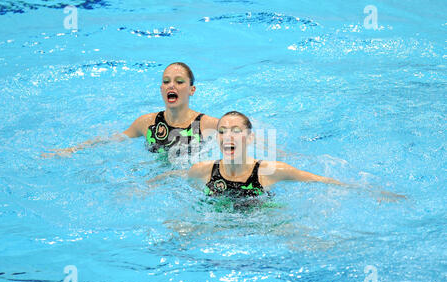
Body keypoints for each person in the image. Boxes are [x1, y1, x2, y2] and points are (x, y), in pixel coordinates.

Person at [188, 111, 407, 201]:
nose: (228, 137)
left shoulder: (270, 172)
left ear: (250, 138)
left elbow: (321, 181)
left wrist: (372, 192)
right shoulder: (203, 170)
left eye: (236, 131)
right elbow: (172, 177)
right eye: (222, 131)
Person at [42, 62, 219, 158]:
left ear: (191, 90)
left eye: (179, 82)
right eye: (166, 81)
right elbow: (112, 140)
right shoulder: (147, 123)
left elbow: (242, 136)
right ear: (161, 89)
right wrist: (72, 150)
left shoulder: (206, 124)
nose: (171, 85)